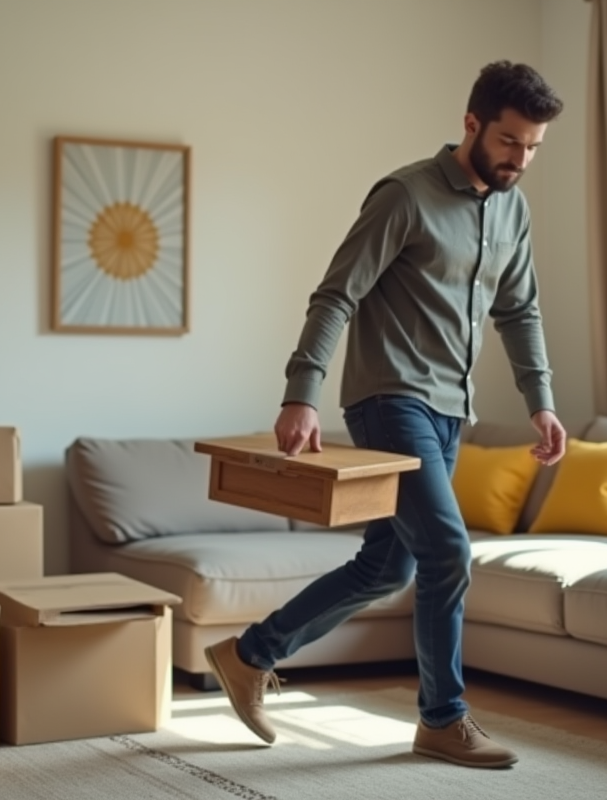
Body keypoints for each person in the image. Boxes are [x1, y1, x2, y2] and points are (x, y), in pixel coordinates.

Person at [203, 60, 568, 769]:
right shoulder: (406, 195)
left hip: (450, 412)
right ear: (471, 124)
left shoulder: (512, 209)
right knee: (448, 551)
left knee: (390, 565)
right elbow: (336, 294)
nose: (520, 160)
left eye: (532, 148)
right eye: (510, 142)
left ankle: (249, 656)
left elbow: (518, 311)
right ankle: (442, 717)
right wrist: (301, 391)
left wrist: (542, 402)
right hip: (388, 398)